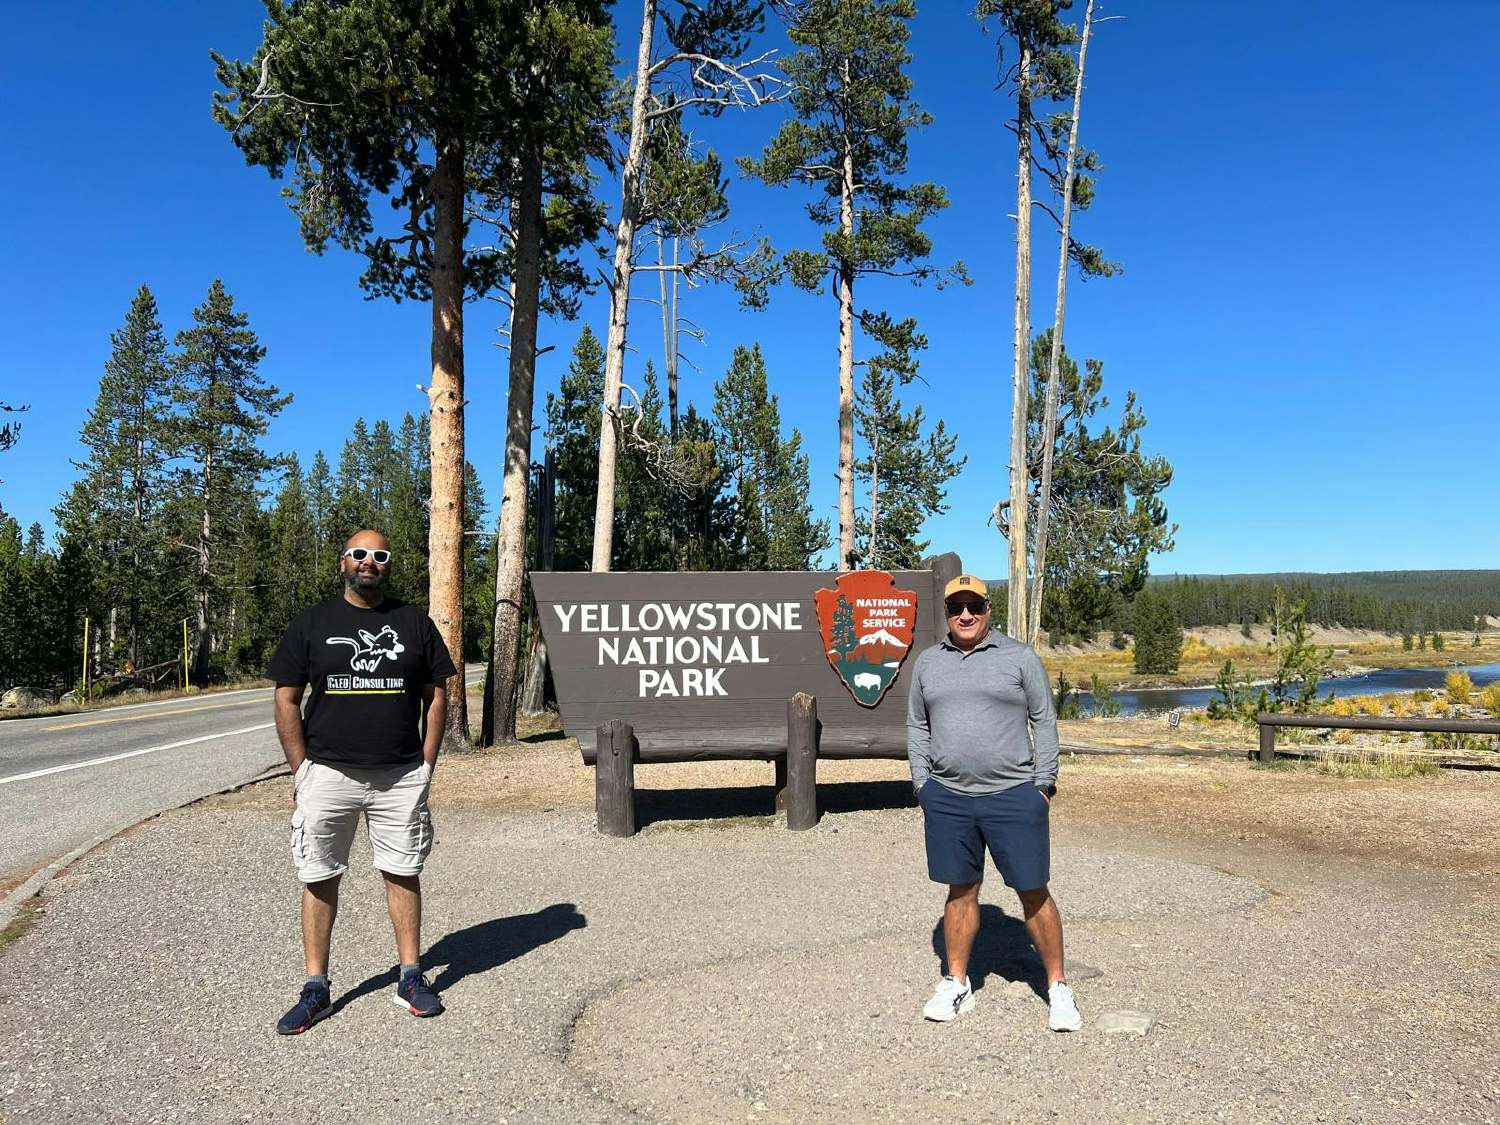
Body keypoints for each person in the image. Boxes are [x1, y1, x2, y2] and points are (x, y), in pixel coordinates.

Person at [267, 529, 456, 1035]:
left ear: (388, 565)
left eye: (379, 555)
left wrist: (426, 764)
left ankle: (410, 977)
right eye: (359, 554)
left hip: (398, 776)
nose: (369, 562)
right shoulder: (312, 623)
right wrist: (301, 769)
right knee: (319, 875)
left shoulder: (413, 622)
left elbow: (435, 694)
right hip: (328, 772)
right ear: (342, 563)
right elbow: (286, 698)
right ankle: (315, 988)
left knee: (402, 870)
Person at [907, 573, 1081, 1031]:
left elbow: (1044, 720)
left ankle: (1059, 987)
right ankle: (958, 982)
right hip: (948, 797)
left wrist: (1043, 785)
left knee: (1031, 890)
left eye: (974, 607)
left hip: (1013, 795)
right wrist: (922, 784)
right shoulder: (928, 664)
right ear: (947, 614)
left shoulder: (1019, 658)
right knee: (960, 890)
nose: (965, 615)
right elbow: (917, 726)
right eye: (956, 608)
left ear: (989, 610)